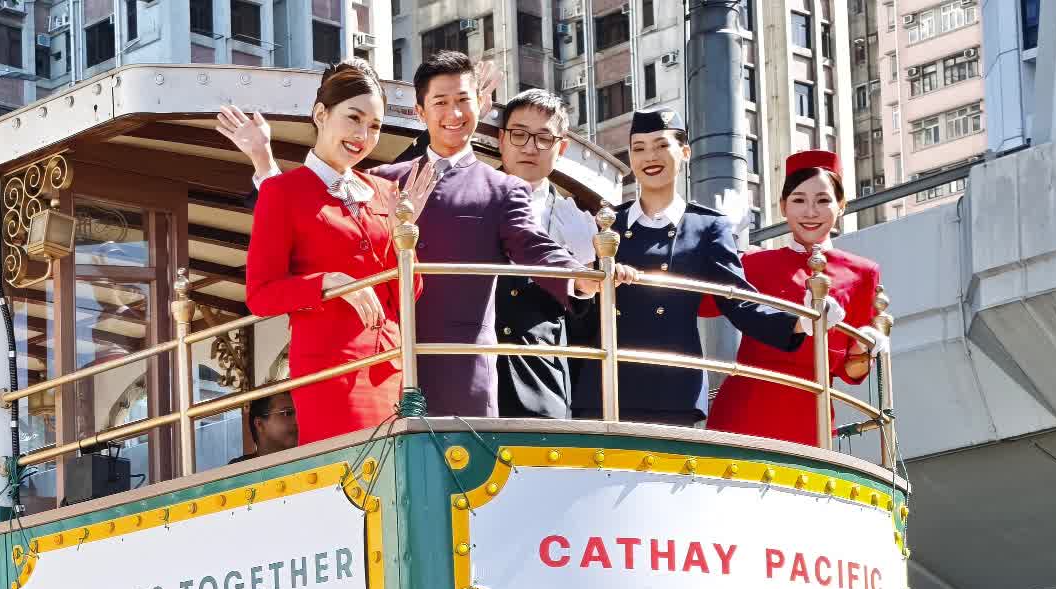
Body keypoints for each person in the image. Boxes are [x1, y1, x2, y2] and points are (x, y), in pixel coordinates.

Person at [225, 52, 592, 418]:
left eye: (464, 101)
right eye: (441, 102)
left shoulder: (501, 189)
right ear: (420, 112)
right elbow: (307, 214)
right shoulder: (382, 180)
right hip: (373, 366)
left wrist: (580, 279)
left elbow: (535, 248)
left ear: (480, 105)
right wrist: (265, 164)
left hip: (458, 371)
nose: (454, 114)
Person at [570, 110, 824, 426]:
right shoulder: (607, 222)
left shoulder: (707, 226)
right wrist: (599, 279)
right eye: (639, 148)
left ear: (685, 152)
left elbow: (737, 300)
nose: (650, 156)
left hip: (672, 385)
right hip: (605, 380)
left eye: (662, 145)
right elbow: (577, 298)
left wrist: (801, 322)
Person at [243, 59, 420, 444]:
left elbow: (408, 292)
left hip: (392, 368)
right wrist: (330, 283)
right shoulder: (282, 192)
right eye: (353, 118)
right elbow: (260, 295)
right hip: (330, 373)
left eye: (374, 125)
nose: (364, 135)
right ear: (321, 114)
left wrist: (407, 237)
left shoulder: (386, 191)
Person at [704, 150, 884, 446]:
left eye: (823, 200)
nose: (810, 212)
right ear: (783, 206)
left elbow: (851, 371)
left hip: (810, 418)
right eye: (799, 200)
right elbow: (705, 305)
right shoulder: (753, 261)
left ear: (841, 206)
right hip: (742, 412)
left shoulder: (863, 273)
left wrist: (866, 346)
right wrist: (724, 244)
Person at [491, 90, 601, 420]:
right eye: (519, 134)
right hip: (471, 371)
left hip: (543, 381)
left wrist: (587, 277)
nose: (529, 147)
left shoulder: (579, 220)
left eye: (543, 138)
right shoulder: (469, 196)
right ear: (501, 139)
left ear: (561, 147)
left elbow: (585, 327)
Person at [228, 391, 299, 464]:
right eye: (287, 413)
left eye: (298, 412)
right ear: (260, 424)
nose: (297, 420)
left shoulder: (307, 459)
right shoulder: (237, 470)